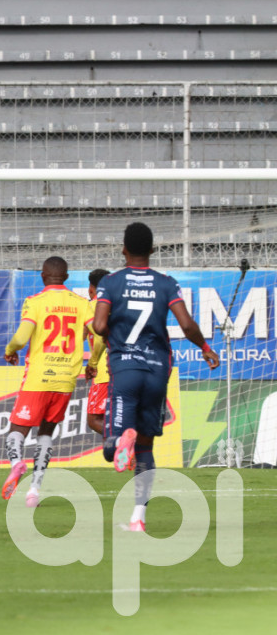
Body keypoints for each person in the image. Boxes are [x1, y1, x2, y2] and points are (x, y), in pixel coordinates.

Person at [86, 222, 220, 532]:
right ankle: (138, 519)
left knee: (110, 448)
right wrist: (205, 347)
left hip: (125, 370)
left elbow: (99, 324)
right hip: (158, 371)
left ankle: (122, 439)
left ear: (123, 248)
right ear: (152, 249)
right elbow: (186, 324)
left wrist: (114, 331)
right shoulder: (166, 283)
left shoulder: (111, 282)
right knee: (146, 449)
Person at [1, 256, 93, 508]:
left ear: (43, 276)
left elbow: (21, 338)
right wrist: (94, 360)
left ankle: (16, 464)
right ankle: (34, 490)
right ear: (66, 277)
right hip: (66, 379)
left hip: (39, 377)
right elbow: (100, 333)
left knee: (17, 431)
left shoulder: (35, 302)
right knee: (46, 432)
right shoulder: (82, 303)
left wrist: (10, 350)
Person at [85, 268, 111, 435]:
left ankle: (123, 442)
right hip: (127, 368)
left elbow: (99, 337)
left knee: (94, 420)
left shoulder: (89, 307)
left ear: (91, 288)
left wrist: (92, 363)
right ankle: (131, 451)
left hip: (103, 371)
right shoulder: (120, 304)